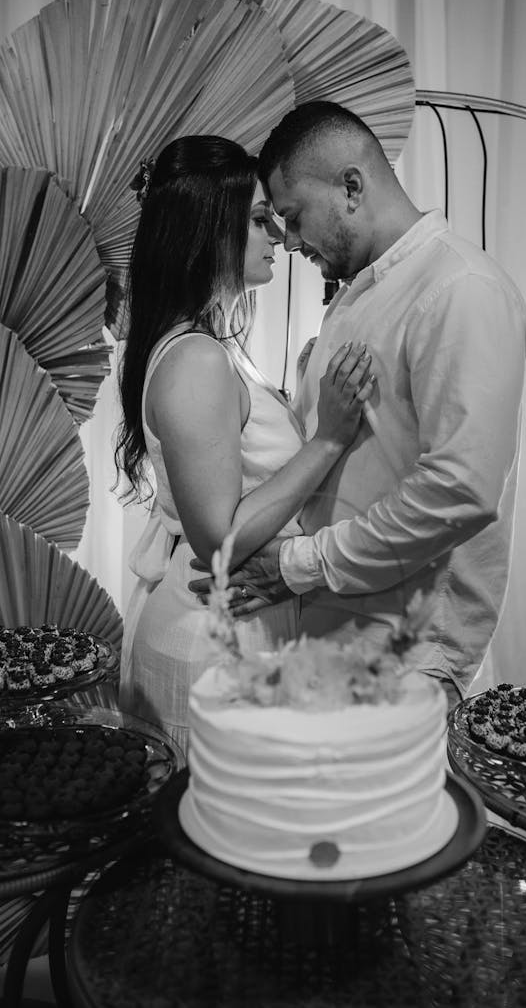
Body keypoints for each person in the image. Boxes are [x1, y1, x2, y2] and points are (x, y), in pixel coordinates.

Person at [192, 101, 526, 709]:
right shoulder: (357, 296)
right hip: (335, 636)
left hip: (404, 652)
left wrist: (297, 563)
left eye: (293, 217)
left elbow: (459, 489)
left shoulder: (461, 290)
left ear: (351, 186)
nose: (289, 242)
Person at [115, 134, 373, 751]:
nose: (282, 237)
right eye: (260, 220)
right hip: (211, 639)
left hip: (232, 626)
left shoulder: (208, 346)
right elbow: (217, 537)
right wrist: (330, 438)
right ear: (209, 230)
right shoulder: (197, 358)